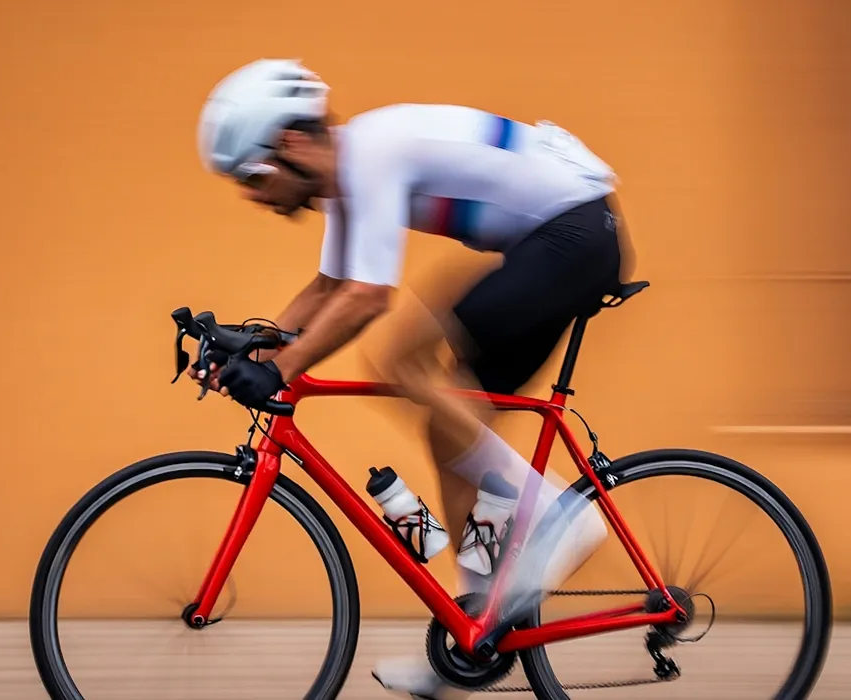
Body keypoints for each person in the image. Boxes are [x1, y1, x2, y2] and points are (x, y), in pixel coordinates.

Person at [192, 58, 635, 699]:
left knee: (399, 360)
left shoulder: (370, 154)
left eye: (252, 177)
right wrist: (249, 349)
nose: (254, 196)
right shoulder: (348, 177)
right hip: (557, 242)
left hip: (575, 233)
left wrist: (284, 367)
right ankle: (476, 631)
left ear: (288, 143)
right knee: (449, 427)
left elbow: (369, 298)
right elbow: (329, 288)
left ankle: (553, 511)